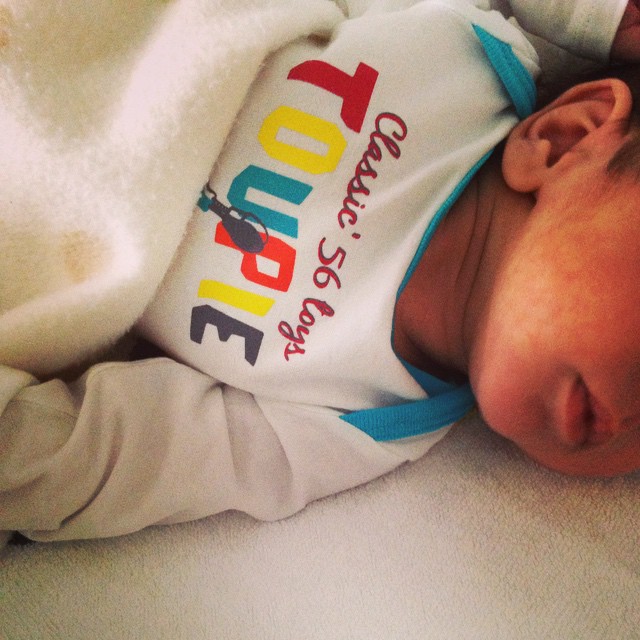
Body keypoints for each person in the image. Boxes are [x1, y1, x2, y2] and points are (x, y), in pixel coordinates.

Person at [1, 0, 640, 542]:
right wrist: (597, 16)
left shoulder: (364, 422)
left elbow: (114, 458)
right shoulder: (461, 48)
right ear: (566, 136)